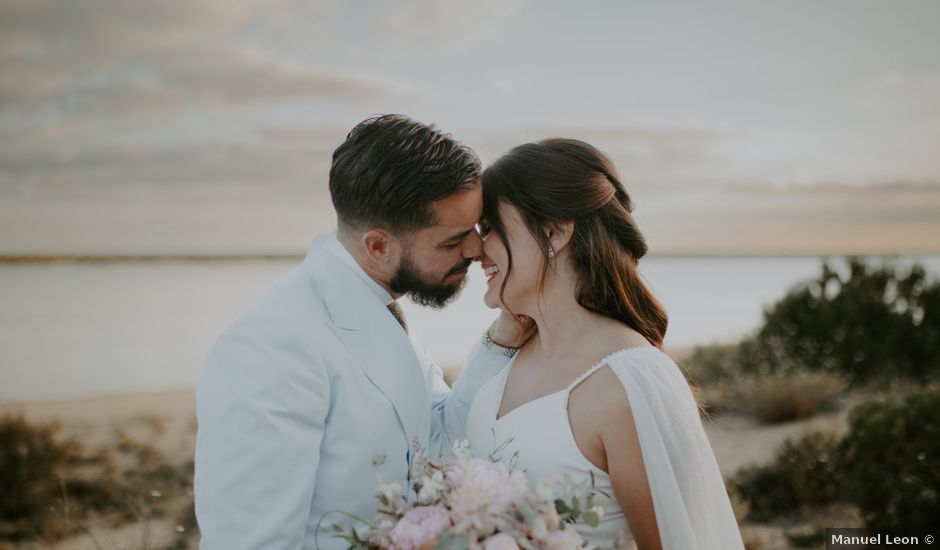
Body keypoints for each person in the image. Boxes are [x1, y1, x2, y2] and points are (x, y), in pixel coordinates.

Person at [195, 114, 531, 550]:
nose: (474, 249)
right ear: (377, 245)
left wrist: (502, 337)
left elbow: (437, 441)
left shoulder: (383, 309)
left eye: (475, 230)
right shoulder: (271, 345)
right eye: (452, 240)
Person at [466, 139, 744, 549]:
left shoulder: (630, 379)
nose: (475, 250)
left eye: (489, 228)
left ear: (554, 232)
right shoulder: (507, 357)